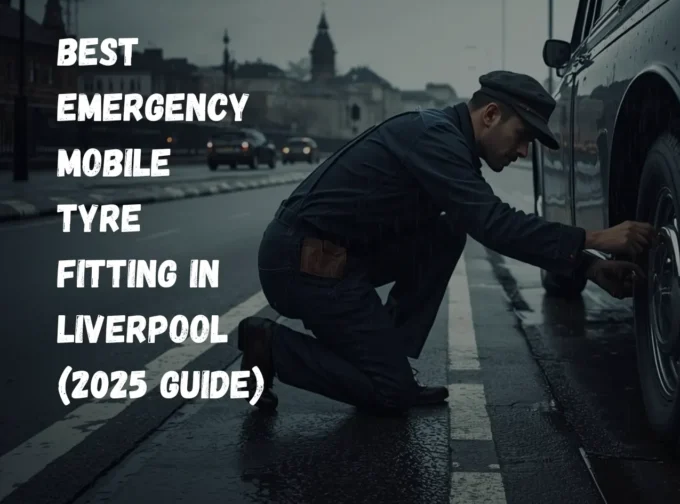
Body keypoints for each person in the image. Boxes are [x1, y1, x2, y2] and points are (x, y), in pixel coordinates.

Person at [242, 70, 654, 414]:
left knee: (449, 228)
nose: (524, 151)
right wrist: (598, 239)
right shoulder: (433, 137)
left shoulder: (444, 138)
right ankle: (272, 345)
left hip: (334, 258)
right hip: (303, 263)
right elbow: (494, 224)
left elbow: (483, 222)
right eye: (523, 135)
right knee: (391, 393)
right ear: (491, 114)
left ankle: (388, 356)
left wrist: (591, 266)